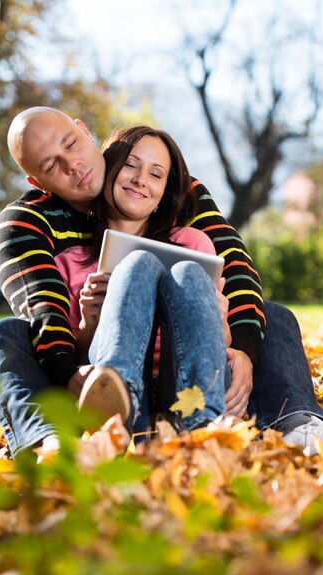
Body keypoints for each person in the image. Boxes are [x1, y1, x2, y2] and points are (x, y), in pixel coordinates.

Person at [0, 106, 323, 457]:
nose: (72, 165)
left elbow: (234, 264)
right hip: (83, 365)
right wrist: (72, 371)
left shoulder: (172, 190)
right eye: (51, 165)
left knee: (272, 316)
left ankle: (294, 418)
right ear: (37, 182)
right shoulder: (25, 221)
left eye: (70, 144)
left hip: (181, 357)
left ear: (84, 130)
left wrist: (242, 348)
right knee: (3, 335)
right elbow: (44, 309)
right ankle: (47, 442)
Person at [54, 124, 232, 432]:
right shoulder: (69, 260)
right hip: (112, 388)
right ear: (108, 168)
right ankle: (116, 412)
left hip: (180, 380)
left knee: (186, 272)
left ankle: (203, 428)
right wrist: (90, 323)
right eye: (130, 165)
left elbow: (222, 344)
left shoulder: (193, 243)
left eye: (156, 174)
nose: (140, 180)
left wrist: (219, 319)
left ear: (164, 191)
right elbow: (76, 361)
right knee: (138, 264)